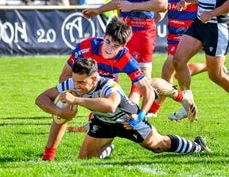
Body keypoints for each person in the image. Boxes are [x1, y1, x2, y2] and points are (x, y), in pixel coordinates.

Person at [35, 58, 211, 160]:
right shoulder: (73, 83)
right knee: (85, 161)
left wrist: (76, 99)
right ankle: (106, 147)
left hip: (129, 120)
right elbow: (40, 98)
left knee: (159, 146)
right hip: (103, 122)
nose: (77, 85)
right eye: (75, 81)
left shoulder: (108, 85)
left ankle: (197, 146)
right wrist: (58, 112)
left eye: (82, 82)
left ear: (94, 79)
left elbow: (110, 106)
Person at [82, 0, 168, 104]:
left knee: (143, 78)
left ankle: (176, 95)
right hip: (123, 31)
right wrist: (98, 10)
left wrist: (132, 6)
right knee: (110, 68)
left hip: (142, 31)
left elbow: (163, 4)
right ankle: (112, 108)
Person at [147, 0, 208, 120]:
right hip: (173, 34)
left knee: (169, 69)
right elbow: (163, 9)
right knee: (177, 69)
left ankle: (155, 109)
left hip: (190, 35)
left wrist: (188, 2)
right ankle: (208, 67)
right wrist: (154, 20)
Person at [172, 0, 229, 116]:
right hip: (199, 23)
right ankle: (188, 103)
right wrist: (188, 1)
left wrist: (211, 13)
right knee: (178, 61)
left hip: (217, 27)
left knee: (216, 75)